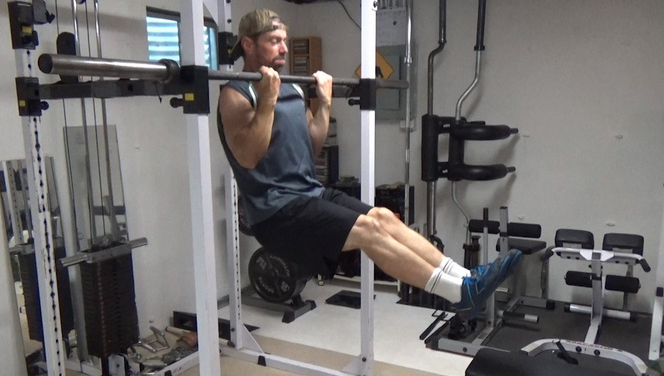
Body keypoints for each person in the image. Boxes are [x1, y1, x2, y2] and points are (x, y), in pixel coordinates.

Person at [217, 9, 521, 315]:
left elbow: (311, 146)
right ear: (248, 44)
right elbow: (248, 157)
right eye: (274, 41)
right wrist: (267, 100)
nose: (283, 48)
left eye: (284, 40)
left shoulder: (292, 86)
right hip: (276, 213)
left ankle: (467, 277)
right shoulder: (236, 93)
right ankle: (459, 294)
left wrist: (323, 103)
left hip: (309, 193)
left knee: (384, 218)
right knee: (368, 231)